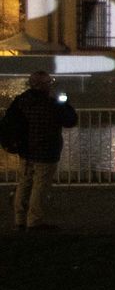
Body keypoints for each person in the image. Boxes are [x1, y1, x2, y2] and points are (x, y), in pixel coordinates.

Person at [3, 71, 78, 231]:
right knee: (39, 187)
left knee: (24, 184)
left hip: (26, 150)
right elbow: (70, 121)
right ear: (42, 85)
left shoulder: (21, 101)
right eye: (49, 82)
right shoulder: (51, 103)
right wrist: (65, 103)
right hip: (46, 151)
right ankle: (34, 221)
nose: (51, 85)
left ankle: (20, 219)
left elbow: (8, 122)